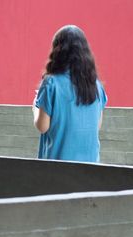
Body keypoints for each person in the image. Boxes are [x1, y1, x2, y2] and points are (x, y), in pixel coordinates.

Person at [33, 25, 108, 162]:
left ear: (57, 51)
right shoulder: (96, 86)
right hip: (91, 167)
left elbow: (42, 127)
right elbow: (97, 125)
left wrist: (35, 106)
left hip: (58, 170)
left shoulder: (51, 84)